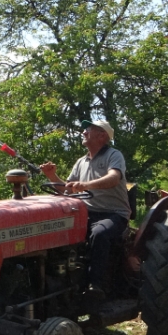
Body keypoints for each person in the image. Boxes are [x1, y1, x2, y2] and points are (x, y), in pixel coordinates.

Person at [39, 120, 131, 299]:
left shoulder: (114, 155)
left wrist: (85, 185)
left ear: (102, 135)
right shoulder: (82, 161)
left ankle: (96, 285)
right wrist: (51, 175)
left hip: (113, 214)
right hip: (85, 212)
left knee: (99, 233)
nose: (83, 132)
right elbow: (67, 189)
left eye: (88, 130)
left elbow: (113, 178)